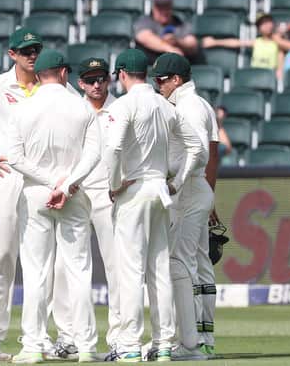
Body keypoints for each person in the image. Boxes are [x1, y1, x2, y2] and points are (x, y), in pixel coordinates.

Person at [0, 28, 79, 359]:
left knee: (43, 261)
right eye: (25, 50)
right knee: (1, 258)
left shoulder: (58, 87)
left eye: (36, 49)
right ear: (11, 54)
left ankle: (39, 335)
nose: (31, 54)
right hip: (7, 178)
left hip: (41, 180)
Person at [104, 48, 204, 362]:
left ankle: (131, 344)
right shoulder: (164, 104)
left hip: (133, 190)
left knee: (132, 270)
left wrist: (113, 184)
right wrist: (177, 181)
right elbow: (196, 147)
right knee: (159, 268)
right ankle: (163, 344)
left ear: (121, 74)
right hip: (160, 189)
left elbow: (114, 147)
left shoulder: (124, 104)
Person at [7, 50, 100, 364]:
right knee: (78, 271)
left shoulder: (21, 109)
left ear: (38, 75)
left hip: (36, 194)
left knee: (35, 273)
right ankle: (86, 346)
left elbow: (15, 159)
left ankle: (32, 346)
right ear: (63, 73)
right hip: (71, 194)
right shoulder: (82, 107)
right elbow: (94, 156)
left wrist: (50, 182)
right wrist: (66, 184)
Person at [152, 53, 220, 360]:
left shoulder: (188, 106)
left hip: (188, 189)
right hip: (198, 189)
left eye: (161, 80)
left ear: (176, 80)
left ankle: (189, 341)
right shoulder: (201, 103)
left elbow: (200, 153)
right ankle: (203, 336)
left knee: (182, 263)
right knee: (199, 262)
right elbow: (213, 152)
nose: (158, 85)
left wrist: (175, 181)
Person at [71, 58, 121, 358]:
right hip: (77, 194)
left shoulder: (121, 109)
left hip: (108, 195)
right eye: (90, 80)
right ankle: (71, 337)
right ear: (81, 83)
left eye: (101, 78)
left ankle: (119, 337)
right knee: (70, 270)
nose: (97, 84)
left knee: (117, 268)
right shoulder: (72, 110)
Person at [202, 13, 285, 78]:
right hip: (255, 74)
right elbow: (236, 42)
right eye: (262, 24)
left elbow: (280, 57)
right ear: (259, 29)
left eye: (268, 22)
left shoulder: (278, 42)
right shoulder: (257, 42)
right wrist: (215, 42)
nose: (266, 25)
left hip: (270, 75)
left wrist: (280, 70)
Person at [133, 0, 200, 64]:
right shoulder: (145, 21)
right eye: (160, 8)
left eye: (166, 7)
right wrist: (169, 48)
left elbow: (192, 44)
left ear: (171, 7)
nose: (164, 11)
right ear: (154, 8)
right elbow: (143, 36)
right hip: (150, 67)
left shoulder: (180, 23)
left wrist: (178, 42)